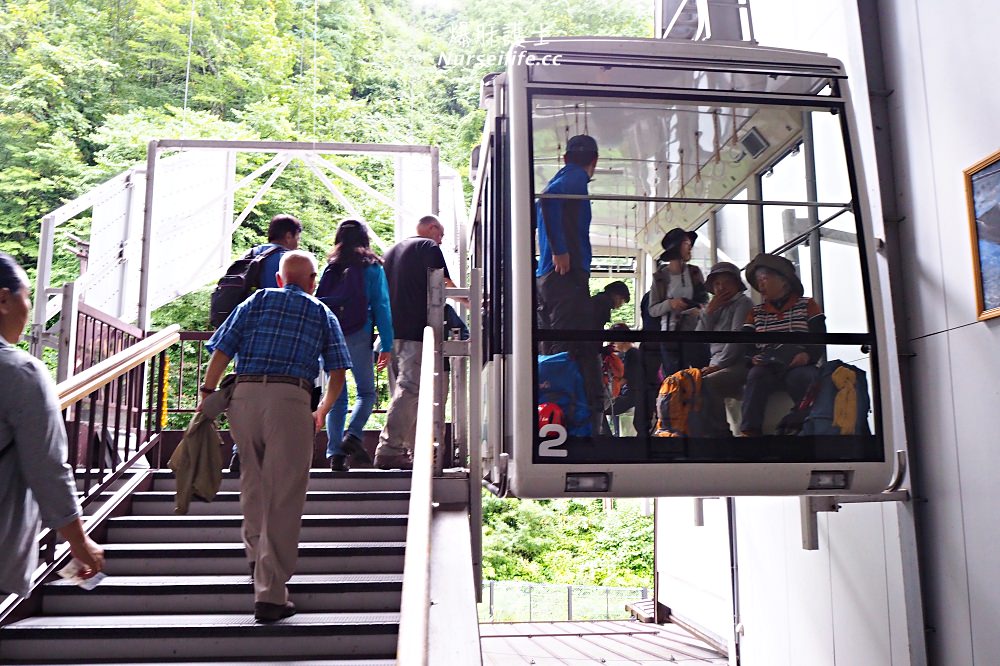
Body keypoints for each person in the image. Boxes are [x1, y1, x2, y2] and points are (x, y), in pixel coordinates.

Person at [198, 250, 350, 622]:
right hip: (290, 400)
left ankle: (257, 561)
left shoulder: (256, 300)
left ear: (280, 279)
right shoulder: (320, 312)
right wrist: (322, 411)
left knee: (253, 485)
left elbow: (222, 348)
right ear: (313, 281)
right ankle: (270, 594)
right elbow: (337, 373)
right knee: (284, 496)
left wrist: (207, 392)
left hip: (244, 399)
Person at [0, 253, 104, 599]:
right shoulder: (19, 372)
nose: (28, 309)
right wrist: (79, 540)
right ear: (3, 299)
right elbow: (47, 466)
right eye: (27, 297)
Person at [375, 215, 462, 470]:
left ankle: (414, 454)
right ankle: (388, 449)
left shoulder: (390, 252)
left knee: (407, 394)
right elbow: (443, 281)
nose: (441, 240)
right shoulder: (428, 247)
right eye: (441, 234)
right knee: (411, 391)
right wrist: (471, 302)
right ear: (433, 228)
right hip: (415, 330)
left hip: (391, 334)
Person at [228, 214, 303, 474]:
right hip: (278, 341)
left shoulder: (252, 255)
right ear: (289, 235)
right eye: (297, 237)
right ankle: (272, 458)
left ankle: (240, 452)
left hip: (246, 337)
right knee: (276, 400)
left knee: (246, 397)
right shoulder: (285, 261)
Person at [316, 219, 393, 472]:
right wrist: (387, 343)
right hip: (359, 333)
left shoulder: (332, 267)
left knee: (336, 395)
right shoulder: (372, 267)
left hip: (331, 334)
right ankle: (354, 434)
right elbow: (381, 306)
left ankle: (335, 454)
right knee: (366, 392)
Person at [739, 253, 826, 437]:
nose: (760, 285)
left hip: (799, 364)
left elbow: (819, 337)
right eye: (758, 281)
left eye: (764, 279)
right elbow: (746, 343)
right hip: (768, 366)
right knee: (755, 376)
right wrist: (753, 357)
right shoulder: (756, 313)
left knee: (806, 377)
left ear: (784, 281)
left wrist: (807, 356)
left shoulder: (808, 305)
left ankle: (807, 428)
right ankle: (750, 431)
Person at [535, 134, 599, 352]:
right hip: (566, 275)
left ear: (565, 158)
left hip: (547, 277)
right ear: (595, 161)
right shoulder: (576, 177)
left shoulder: (559, 178)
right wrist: (560, 250)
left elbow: (538, 212)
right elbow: (548, 198)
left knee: (552, 343)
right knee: (569, 346)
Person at [695, 262, 754, 436]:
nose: (721, 288)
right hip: (718, 363)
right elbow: (699, 337)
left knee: (708, 383)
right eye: (717, 284)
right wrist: (709, 312)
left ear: (736, 284)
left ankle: (721, 435)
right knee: (691, 383)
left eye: (726, 282)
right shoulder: (715, 306)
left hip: (739, 362)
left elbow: (737, 340)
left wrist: (718, 365)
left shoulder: (743, 303)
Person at [647, 227, 710, 377]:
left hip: (695, 332)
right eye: (686, 244)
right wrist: (671, 304)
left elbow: (705, 300)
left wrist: (699, 309)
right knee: (676, 379)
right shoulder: (660, 277)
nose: (690, 248)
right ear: (677, 247)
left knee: (701, 374)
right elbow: (652, 309)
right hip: (670, 336)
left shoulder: (695, 272)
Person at [603, 323, 646, 436]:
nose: (613, 344)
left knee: (600, 407)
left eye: (614, 341)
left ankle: (607, 437)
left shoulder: (632, 354)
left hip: (630, 397)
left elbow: (626, 379)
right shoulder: (629, 354)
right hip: (628, 394)